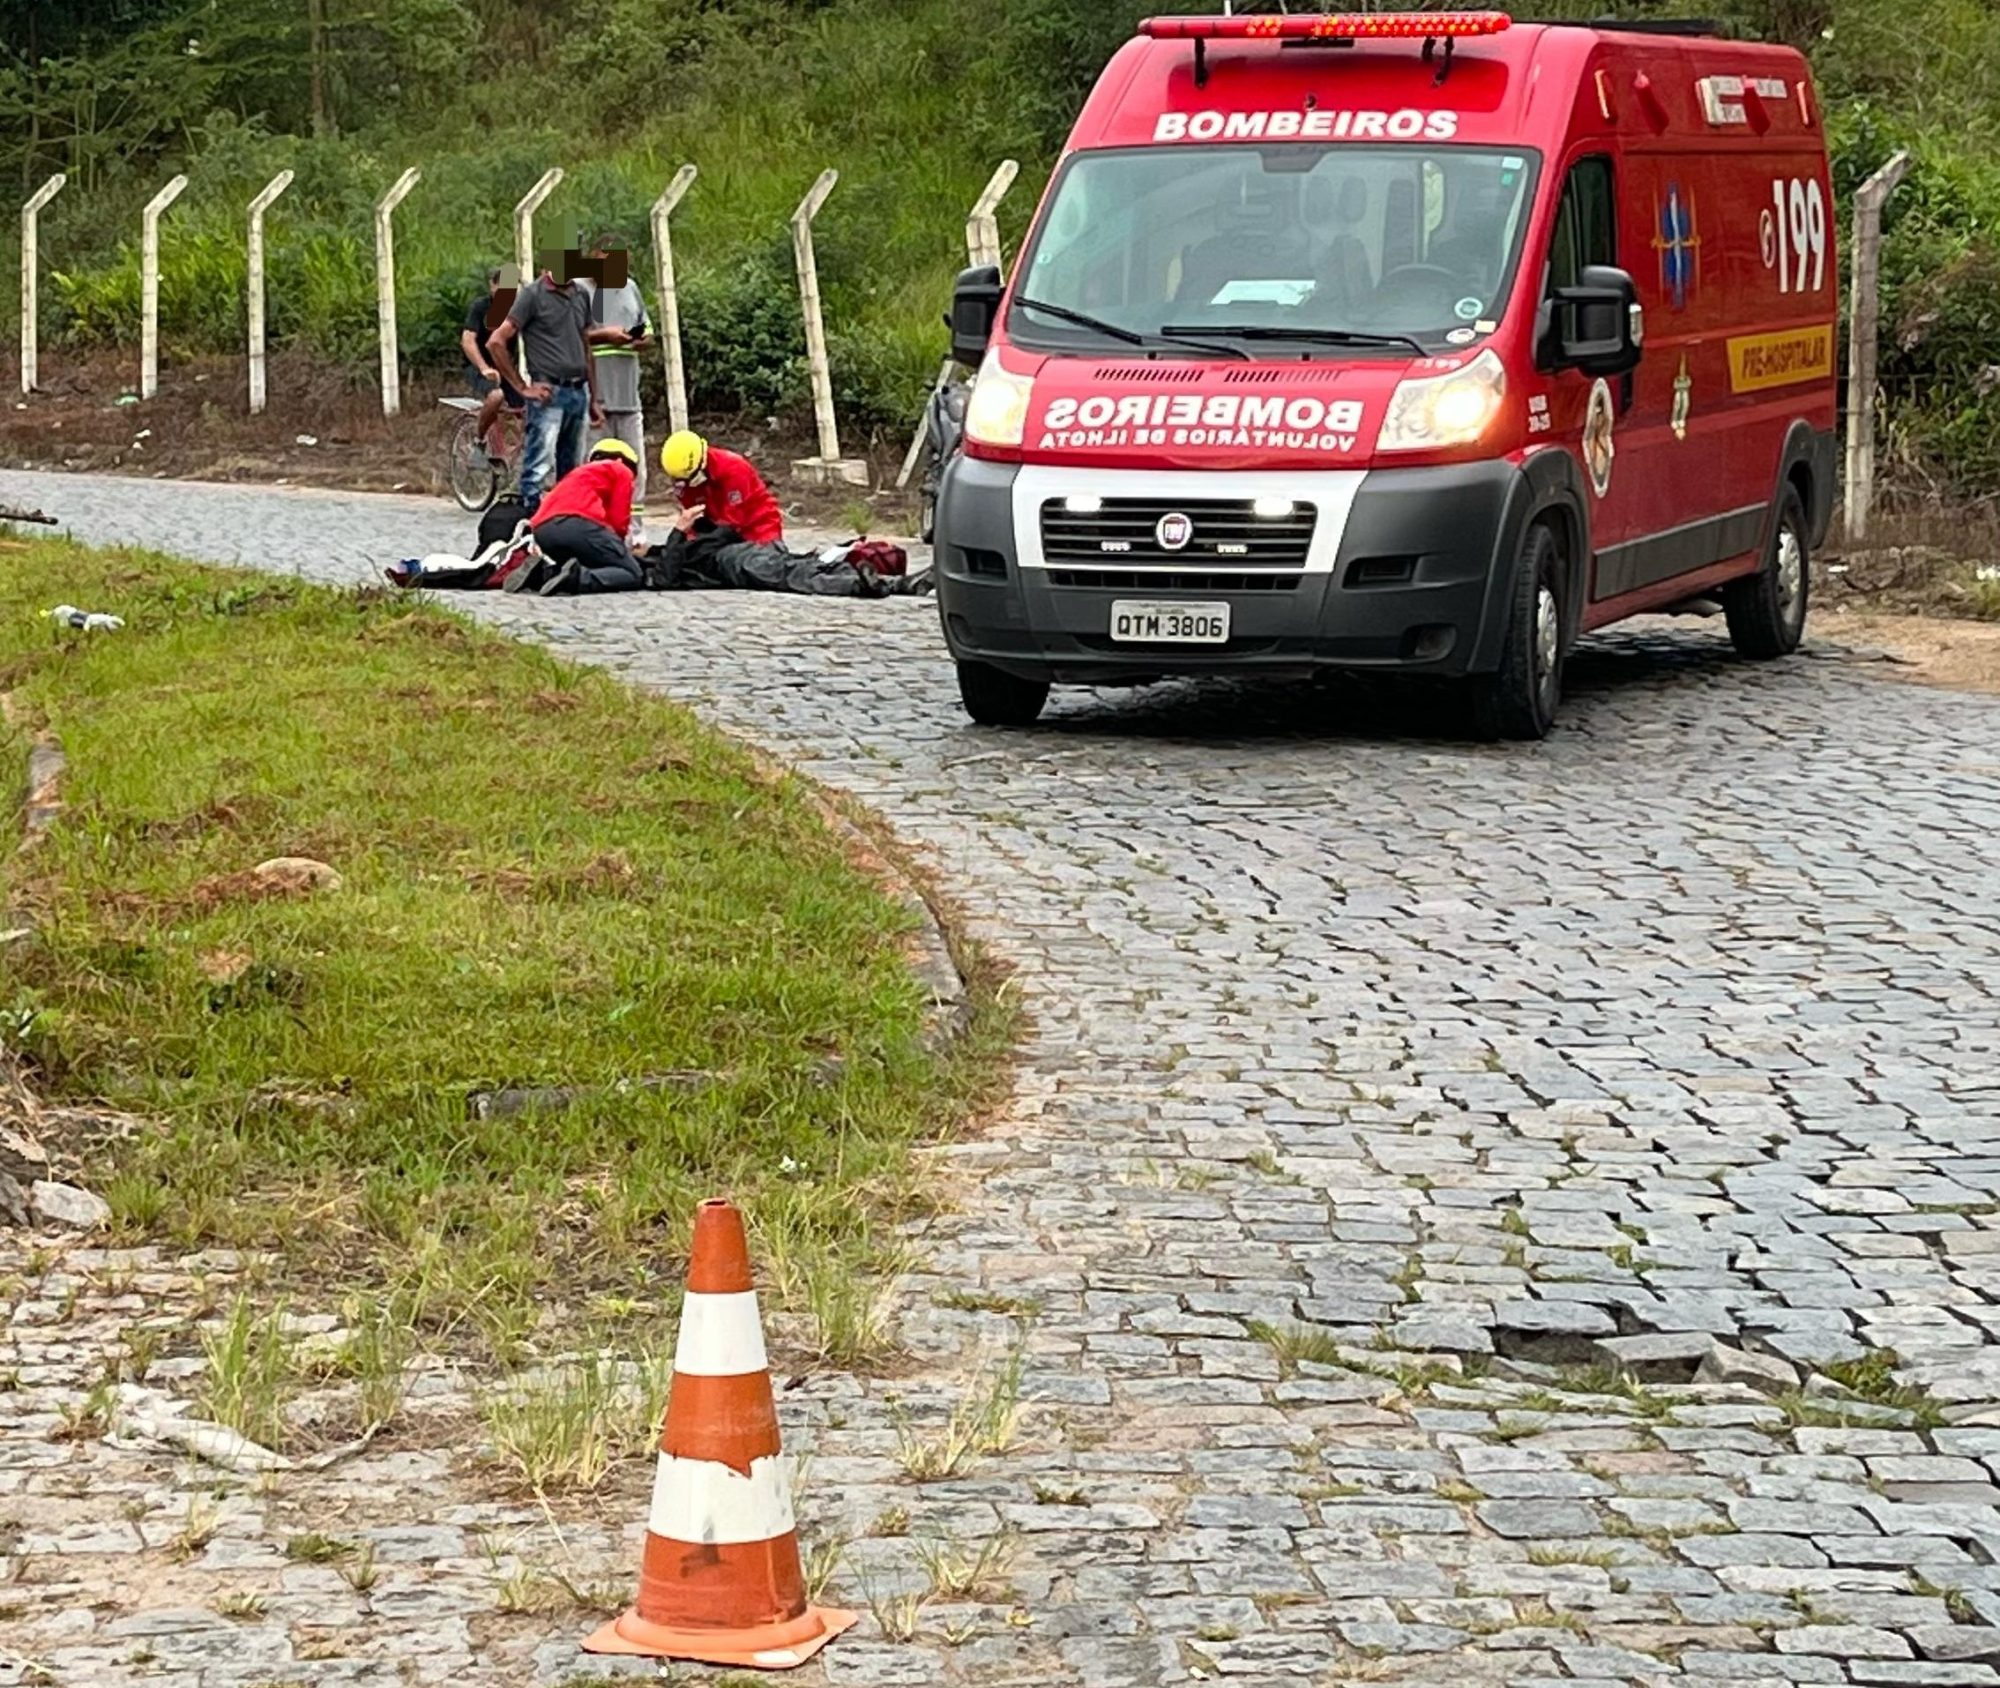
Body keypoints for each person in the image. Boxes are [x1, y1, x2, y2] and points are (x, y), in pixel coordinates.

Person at [649, 431, 922, 597]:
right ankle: (876, 582)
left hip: (754, 536)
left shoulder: (733, 470)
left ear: (703, 462)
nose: (682, 487)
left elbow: (731, 526)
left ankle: (877, 582)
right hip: (726, 555)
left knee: (787, 570)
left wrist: (685, 541)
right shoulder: (685, 479)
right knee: (791, 571)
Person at [487, 248, 601, 512]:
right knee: (539, 465)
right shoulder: (533, 295)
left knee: (572, 468)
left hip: (577, 390)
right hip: (549, 391)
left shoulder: (581, 294)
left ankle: (566, 518)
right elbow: (497, 342)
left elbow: (586, 347)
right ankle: (529, 521)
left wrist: (595, 397)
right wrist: (522, 387)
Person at [505, 437, 647, 595]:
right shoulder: (620, 469)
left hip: (542, 531)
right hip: (577, 525)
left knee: (589, 563)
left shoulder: (579, 473)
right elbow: (618, 521)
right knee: (632, 574)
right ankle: (577, 579)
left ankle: (542, 575)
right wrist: (621, 551)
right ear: (624, 461)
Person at [581, 236, 653, 543]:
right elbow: (575, 334)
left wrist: (641, 339)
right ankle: (596, 528)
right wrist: (605, 335)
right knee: (597, 467)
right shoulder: (581, 290)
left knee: (636, 466)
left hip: (628, 396)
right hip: (595, 397)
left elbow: (646, 326)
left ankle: (634, 530)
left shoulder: (629, 287)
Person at [460, 265, 524, 462]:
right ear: (493, 286)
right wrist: (483, 368)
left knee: (532, 408)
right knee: (496, 396)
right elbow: (468, 340)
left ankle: (516, 458)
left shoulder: (518, 310)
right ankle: (479, 441)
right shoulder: (481, 307)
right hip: (479, 367)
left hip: (506, 369)